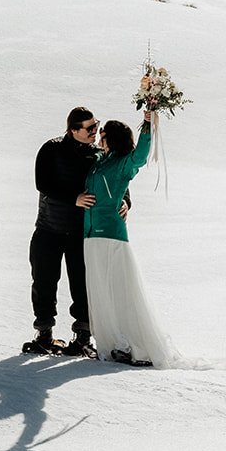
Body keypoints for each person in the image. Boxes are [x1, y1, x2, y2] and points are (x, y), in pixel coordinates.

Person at [83, 108, 180, 368]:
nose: (99, 137)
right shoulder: (99, 161)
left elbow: (141, 156)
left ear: (112, 137)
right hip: (90, 233)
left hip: (112, 234)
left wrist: (147, 125)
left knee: (122, 288)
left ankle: (138, 345)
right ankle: (113, 344)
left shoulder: (124, 162)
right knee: (100, 289)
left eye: (102, 133)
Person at [26, 106, 101, 355]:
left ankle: (82, 337)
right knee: (44, 282)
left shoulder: (98, 155)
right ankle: (44, 334)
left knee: (82, 285)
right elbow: (42, 183)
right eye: (90, 128)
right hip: (49, 229)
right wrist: (74, 198)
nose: (95, 132)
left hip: (81, 233)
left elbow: (115, 182)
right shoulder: (52, 149)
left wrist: (125, 202)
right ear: (73, 129)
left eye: (96, 125)